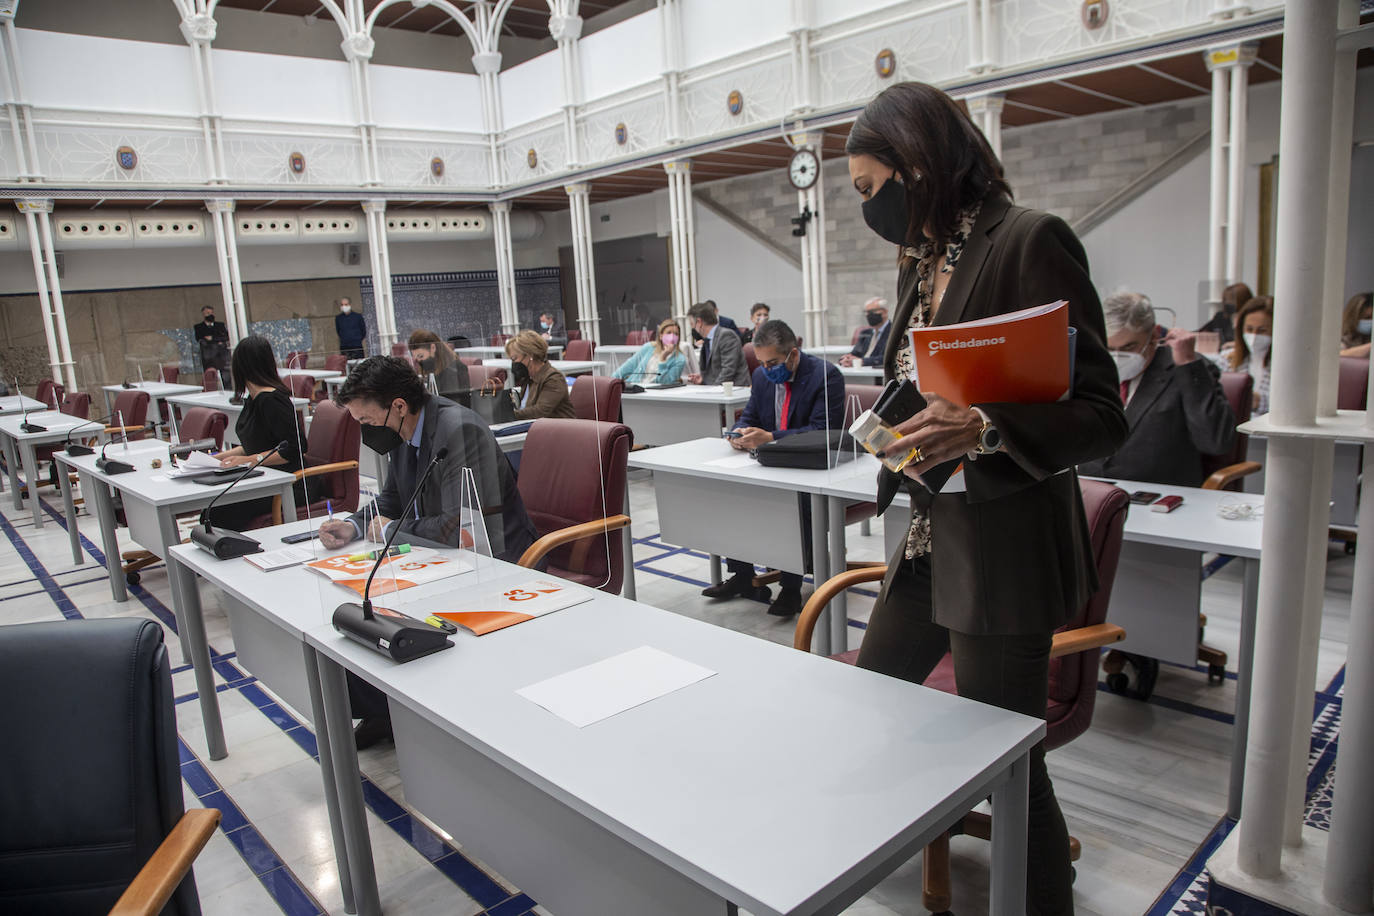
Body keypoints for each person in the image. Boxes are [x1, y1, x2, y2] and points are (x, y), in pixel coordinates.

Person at [845, 81, 1127, 914]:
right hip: (936, 530)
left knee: (1006, 759)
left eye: (870, 188)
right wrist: (895, 436)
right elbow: (922, 379)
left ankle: (1043, 901)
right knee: (879, 693)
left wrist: (988, 428)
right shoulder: (925, 258)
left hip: (1004, 544)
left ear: (919, 162)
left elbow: (1103, 412)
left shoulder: (1027, 240)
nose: (867, 207)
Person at [318, 356, 538, 747]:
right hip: (440, 558)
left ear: (399, 406)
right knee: (361, 613)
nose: (366, 434)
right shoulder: (405, 433)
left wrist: (391, 530)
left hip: (493, 562)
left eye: (367, 423)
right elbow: (391, 499)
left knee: (393, 608)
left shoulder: (459, 431)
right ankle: (384, 709)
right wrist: (353, 524)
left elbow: (460, 528)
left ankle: (426, 715)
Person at [703, 320, 845, 617]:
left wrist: (771, 437)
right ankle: (743, 578)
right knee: (731, 492)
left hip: (810, 467)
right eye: (763, 363)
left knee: (790, 503)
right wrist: (738, 433)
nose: (768, 369)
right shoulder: (762, 376)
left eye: (774, 362)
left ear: (793, 354)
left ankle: (791, 587)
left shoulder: (825, 375)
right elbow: (750, 414)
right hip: (768, 462)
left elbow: (823, 431)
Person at [1078, 292, 1235, 487]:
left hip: (1159, 495)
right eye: (1109, 348)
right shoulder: (1094, 367)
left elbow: (1215, 441)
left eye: (1129, 346)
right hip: (1094, 492)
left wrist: (1187, 364)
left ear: (1154, 335)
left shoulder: (1188, 368)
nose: (1117, 357)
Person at [209, 336, 307, 531]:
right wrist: (213, 459)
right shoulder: (254, 399)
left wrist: (249, 460)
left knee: (218, 511)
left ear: (240, 367)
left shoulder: (271, 400)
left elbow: (295, 448)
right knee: (214, 506)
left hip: (289, 484)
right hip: (266, 477)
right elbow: (254, 445)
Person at [1211, 296, 1273, 416]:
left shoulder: (1284, 368)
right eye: (1249, 329)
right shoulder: (1227, 360)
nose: (1254, 336)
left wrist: (1257, 402)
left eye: (1262, 330)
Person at [504, 330, 575, 419]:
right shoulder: (528, 379)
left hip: (556, 430)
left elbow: (540, 411)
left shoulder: (554, 378)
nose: (513, 363)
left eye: (514, 358)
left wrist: (508, 415)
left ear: (530, 355)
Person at [686, 302, 749, 387]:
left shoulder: (726, 336)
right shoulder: (707, 340)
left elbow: (728, 370)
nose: (693, 328)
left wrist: (712, 390)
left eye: (692, 324)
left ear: (699, 322)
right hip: (718, 390)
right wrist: (703, 379)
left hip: (734, 390)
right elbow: (713, 371)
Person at [613, 318, 687, 385]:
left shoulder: (680, 359)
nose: (672, 336)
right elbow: (629, 366)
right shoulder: (649, 347)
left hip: (655, 394)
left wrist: (663, 358)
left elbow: (665, 382)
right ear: (661, 336)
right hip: (635, 387)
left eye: (676, 334)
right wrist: (612, 381)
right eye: (668, 333)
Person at [408, 329, 470, 395]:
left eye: (421, 356)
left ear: (433, 348)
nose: (419, 361)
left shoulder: (456, 370)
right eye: (416, 358)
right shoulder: (431, 370)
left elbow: (453, 401)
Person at [838, 297, 891, 367]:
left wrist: (862, 361)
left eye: (871, 311)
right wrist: (846, 358)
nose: (868, 315)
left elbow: (887, 358)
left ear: (884, 312)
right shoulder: (865, 333)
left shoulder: (893, 333)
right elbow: (855, 353)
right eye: (866, 312)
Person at [192, 305, 230, 377]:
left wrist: (212, 338)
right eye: (207, 313)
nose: (210, 315)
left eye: (211, 313)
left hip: (221, 355)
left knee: (225, 376)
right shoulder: (199, 327)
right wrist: (217, 341)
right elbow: (199, 339)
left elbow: (225, 337)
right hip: (208, 356)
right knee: (210, 375)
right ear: (203, 314)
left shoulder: (220, 325)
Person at [1339, 291, 1372, 358]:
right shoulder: (1344, 339)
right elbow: (1339, 355)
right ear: (1353, 318)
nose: (1371, 321)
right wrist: (1371, 346)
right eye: (1367, 317)